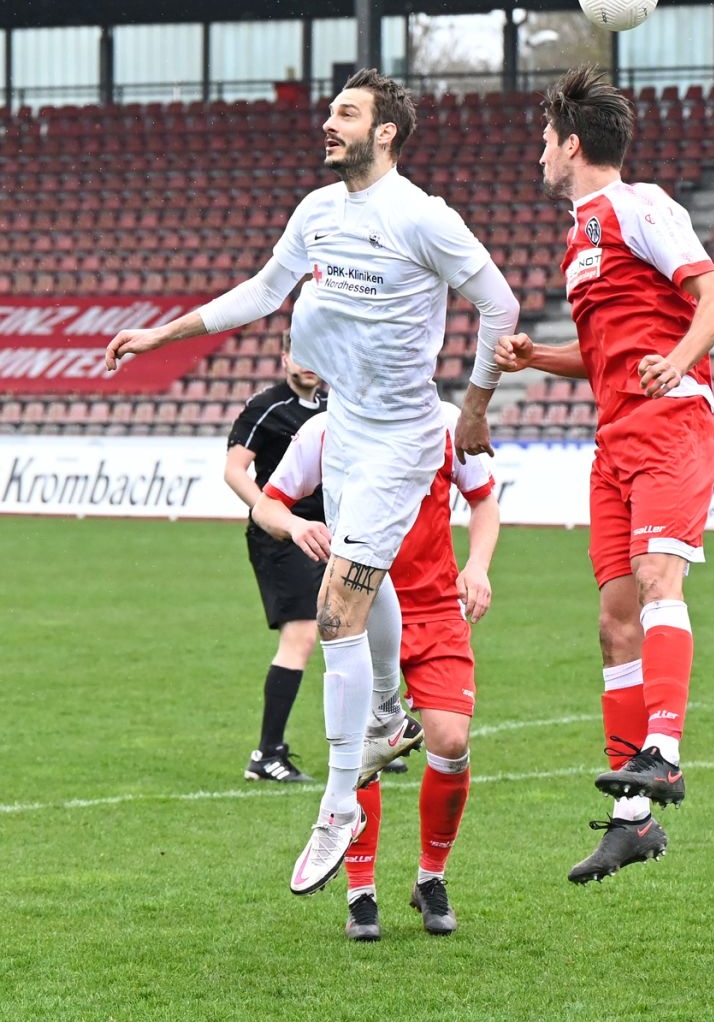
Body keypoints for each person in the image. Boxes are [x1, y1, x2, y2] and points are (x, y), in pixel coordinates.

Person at [103, 68, 521, 897]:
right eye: (330, 112)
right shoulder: (317, 211)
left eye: (346, 113)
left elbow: (502, 307)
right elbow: (262, 292)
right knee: (359, 597)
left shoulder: (423, 219)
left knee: (335, 608)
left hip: (403, 441)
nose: (328, 124)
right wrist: (164, 333)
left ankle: (339, 802)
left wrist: (472, 408)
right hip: (348, 432)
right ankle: (385, 716)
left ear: (387, 132)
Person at [465, 66, 714, 883]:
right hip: (614, 436)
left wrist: (677, 363)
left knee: (660, 578)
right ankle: (633, 821)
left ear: (572, 145)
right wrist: (535, 358)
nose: (540, 154)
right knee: (614, 621)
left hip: (670, 424)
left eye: (546, 141)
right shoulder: (582, 235)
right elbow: (608, 354)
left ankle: (665, 751)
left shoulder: (639, 205)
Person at [251, 400, 499, 940]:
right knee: (364, 748)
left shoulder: (442, 421)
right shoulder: (325, 430)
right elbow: (266, 504)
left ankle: (430, 878)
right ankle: (360, 893)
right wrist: (293, 524)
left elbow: (483, 500)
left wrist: (476, 566)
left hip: (435, 609)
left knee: (451, 742)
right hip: (359, 611)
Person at [224, 347, 339, 783]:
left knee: (349, 628)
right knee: (302, 636)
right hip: (282, 536)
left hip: (325, 534)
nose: (310, 362)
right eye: (302, 353)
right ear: (285, 356)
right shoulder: (266, 406)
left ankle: (371, 737)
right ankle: (267, 754)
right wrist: (274, 517)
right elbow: (235, 470)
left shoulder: (332, 407)